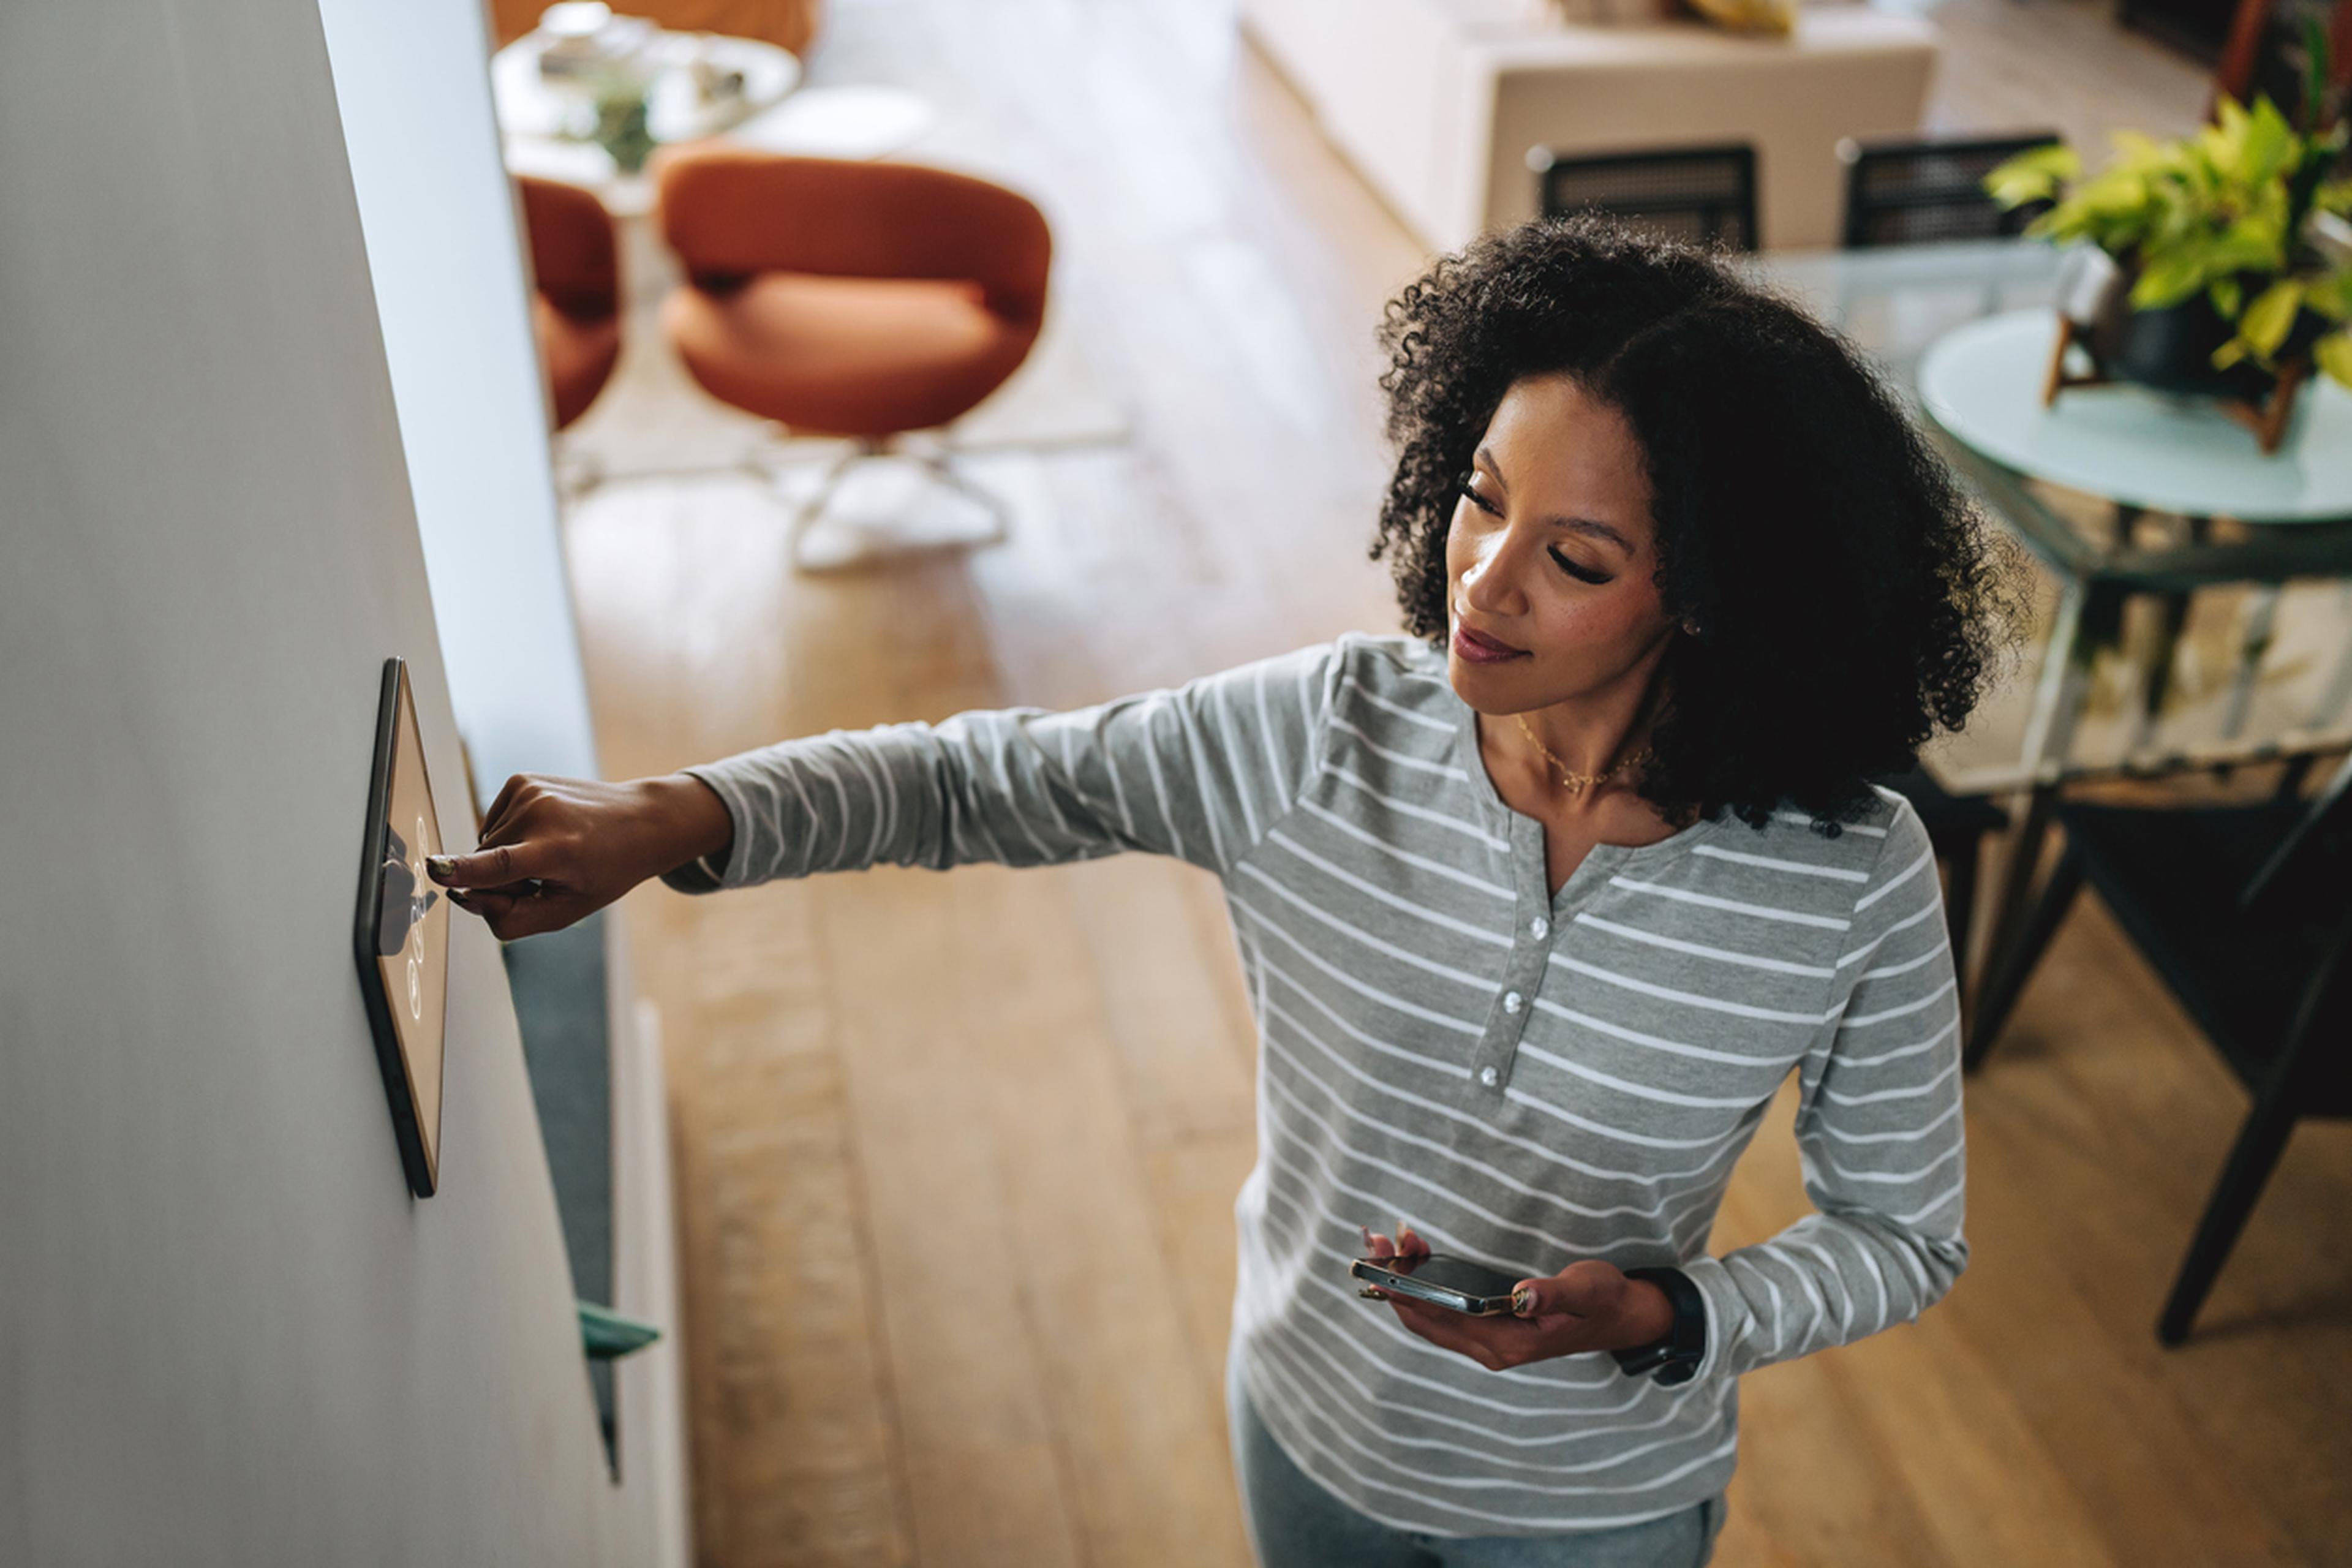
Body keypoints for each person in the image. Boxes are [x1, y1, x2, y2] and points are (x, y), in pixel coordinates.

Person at [428, 215, 2022, 1567]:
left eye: (1579, 560)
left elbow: (1901, 1236)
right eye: (1480, 494)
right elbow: (985, 778)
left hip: (1593, 1514)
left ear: (1722, 599)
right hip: (1308, 1438)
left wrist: (1668, 1315)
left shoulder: (1844, 875)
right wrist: (677, 811)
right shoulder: (1327, 732)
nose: (1485, 577)